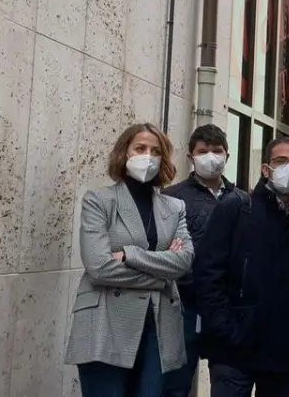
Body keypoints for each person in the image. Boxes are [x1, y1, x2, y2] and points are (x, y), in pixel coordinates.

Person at [65, 123, 194, 396]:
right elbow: (100, 267)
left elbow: (183, 262)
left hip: (158, 325)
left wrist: (129, 255)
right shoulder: (99, 201)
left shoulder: (175, 207)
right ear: (124, 153)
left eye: (156, 151)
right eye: (140, 148)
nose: (148, 156)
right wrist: (161, 276)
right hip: (105, 322)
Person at [196, 136, 289, 397]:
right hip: (233, 349)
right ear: (266, 169)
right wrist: (222, 327)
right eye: (281, 161)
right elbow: (208, 272)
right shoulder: (235, 209)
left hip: (285, 351)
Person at [162, 123, 245, 397]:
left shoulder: (243, 201)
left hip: (226, 308)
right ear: (191, 157)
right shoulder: (171, 198)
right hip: (183, 306)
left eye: (217, 151)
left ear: (227, 156)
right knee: (175, 385)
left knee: (229, 385)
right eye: (203, 151)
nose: (210, 157)